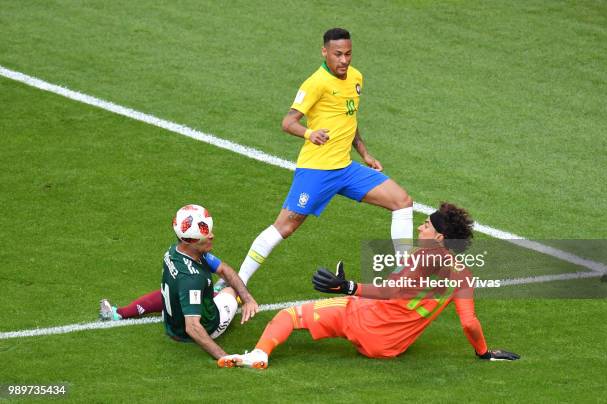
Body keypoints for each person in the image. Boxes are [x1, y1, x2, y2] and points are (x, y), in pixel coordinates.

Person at [216, 27, 414, 290]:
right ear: (325, 52)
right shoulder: (315, 83)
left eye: (348, 54)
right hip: (317, 171)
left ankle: (405, 275)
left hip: (345, 169)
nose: (344, 60)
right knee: (284, 227)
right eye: (338, 54)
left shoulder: (356, 78)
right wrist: (310, 133)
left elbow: (349, 118)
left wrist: (364, 152)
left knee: (402, 201)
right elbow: (288, 122)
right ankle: (236, 282)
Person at [217, 203, 520, 368]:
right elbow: (469, 323)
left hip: (365, 321)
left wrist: (348, 287)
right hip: (390, 348)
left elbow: (390, 292)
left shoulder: (424, 258)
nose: (420, 226)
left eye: (426, 224)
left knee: (288, 316)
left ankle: (259, 354)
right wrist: (483, 352)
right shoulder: (463, 274)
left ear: (440, 237)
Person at [101, 204, 258, 361]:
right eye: (205, 234)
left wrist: (248, 299)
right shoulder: (192, 279)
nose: (212, 236)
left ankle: (119, 313)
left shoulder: (174, 251)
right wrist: (224, 357)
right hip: (207, 327)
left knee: (174, 290)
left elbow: (223, 270)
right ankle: (217, 292)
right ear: (190, 241)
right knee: (230, 290)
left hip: (172, 322)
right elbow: (193, 327)